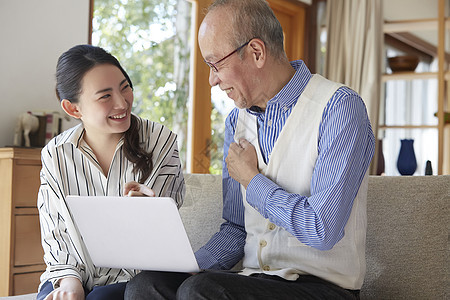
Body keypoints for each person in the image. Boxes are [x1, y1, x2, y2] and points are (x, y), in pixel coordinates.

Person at [125, 0, 375, 299]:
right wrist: (186, 266)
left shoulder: (339, 108)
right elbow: (236, 228)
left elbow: (322, 229)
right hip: (253, 280)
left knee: (200, 291)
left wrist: (251, 180)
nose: (212, 80)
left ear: (256, 52)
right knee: (146, 285)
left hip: (324, 287)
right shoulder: (236, 121)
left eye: (216, 64)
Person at [37, 44, 185, 300]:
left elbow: (161, 243)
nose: (122, 102)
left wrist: (150, 210)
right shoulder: (56, 154)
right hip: (72, 274)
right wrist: (70, 283)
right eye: (105, 96)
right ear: (74, 109)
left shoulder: (161, 141)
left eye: (124, 87)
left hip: (136, 279)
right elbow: (56, 232)